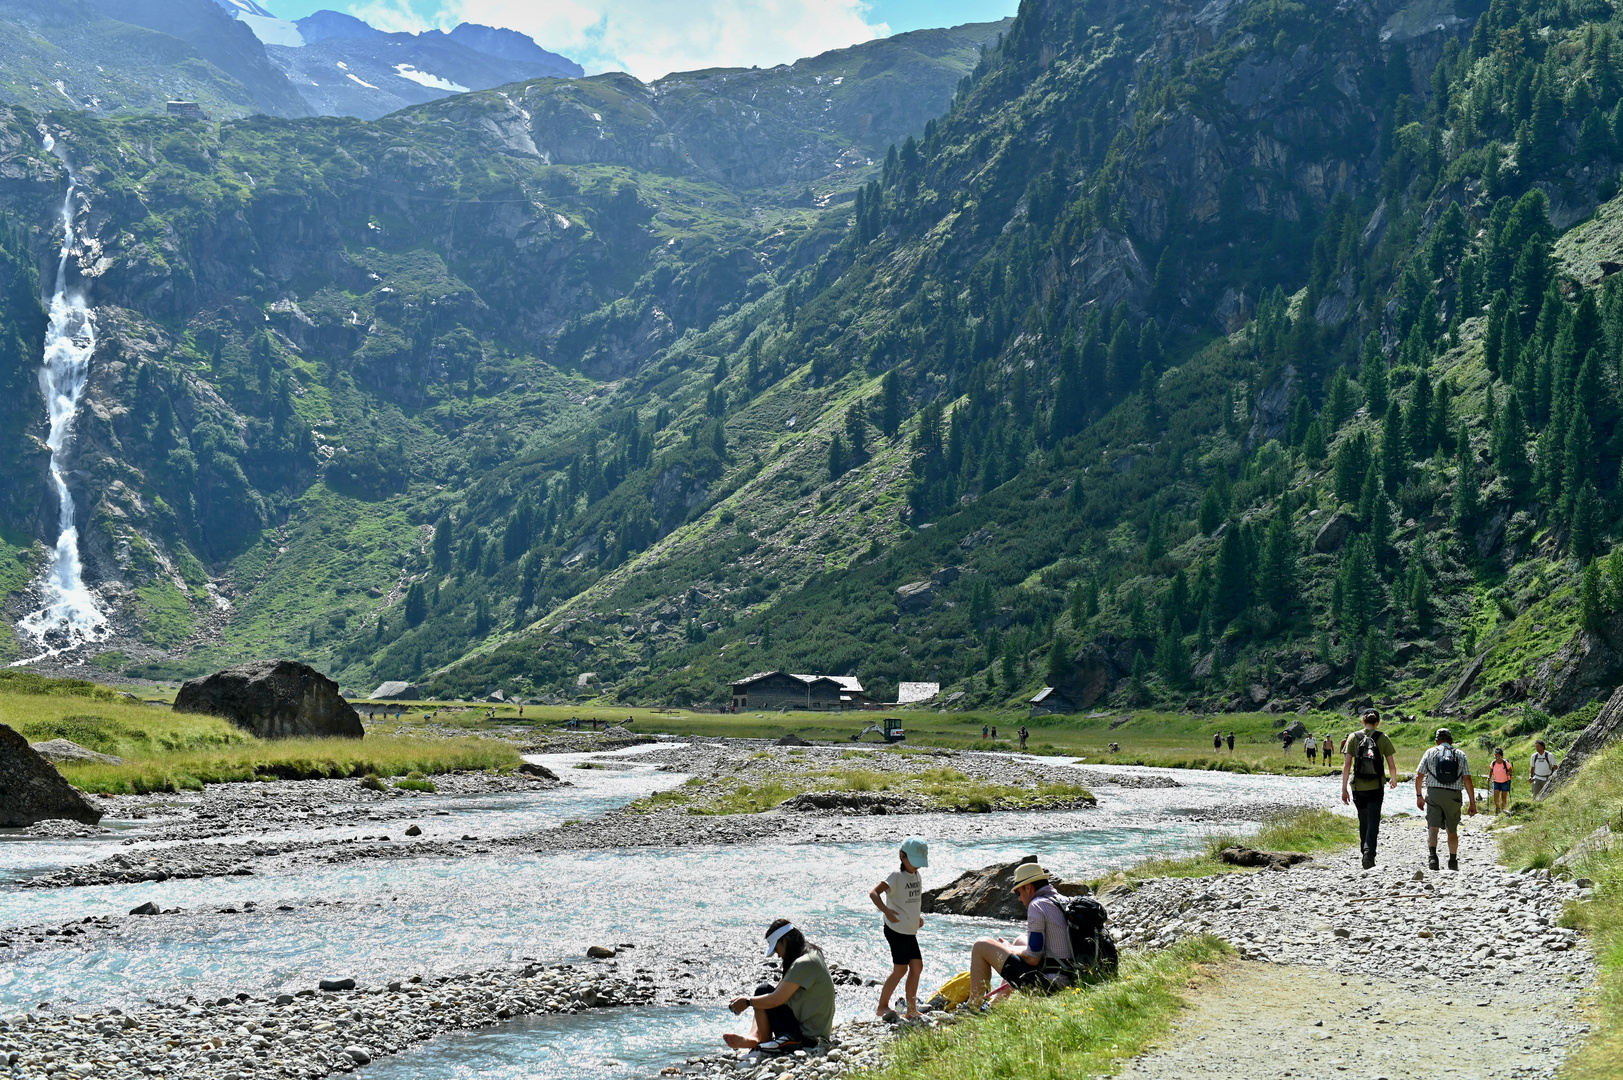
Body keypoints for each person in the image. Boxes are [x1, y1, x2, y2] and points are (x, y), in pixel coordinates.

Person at [966, 863, 1072, 1007]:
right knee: (1021, 940)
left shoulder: (1037, 905)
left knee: (981, 945)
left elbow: (1034, 958)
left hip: (1050, 985)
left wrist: (1008, 949)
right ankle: (995, 1004)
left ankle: (973, 1008)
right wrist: (1013, 948)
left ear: (1028, 887)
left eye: (1018, 893)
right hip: (1071, 976)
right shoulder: (1063, 900)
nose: (1020, 898)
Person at [725, 920, 836, 1053]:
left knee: (761, 993)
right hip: (811, 1031)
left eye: (776, 949)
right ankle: (755, 1037)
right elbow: (775, 993)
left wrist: (747, 1002)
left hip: (808, 1037)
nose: (778, 955)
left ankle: (763, 1046)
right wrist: (749, 1001)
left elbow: (776, 1000)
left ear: (785, 940)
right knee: (762, 992)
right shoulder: (810, 954)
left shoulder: (804, 963)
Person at [869, 837, 928, 1021]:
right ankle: (882, 1006)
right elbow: (874, 893)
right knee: (900, 969)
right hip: (896, 929)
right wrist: (886, 910)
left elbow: (912, 900)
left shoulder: (916, 875)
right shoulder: (895, 876)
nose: (916, 867)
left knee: (917, 966)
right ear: (902, 856)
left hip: (909, 929)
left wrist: (917, 916)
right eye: (913, 862)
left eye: (919, 863)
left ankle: (911, 1009)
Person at [1341, 709, 1398, 869]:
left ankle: (1364, 852)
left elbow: (1347, 765)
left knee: (1363, 820)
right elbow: (1391, 765)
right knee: (1373, 821)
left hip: (1357, 786)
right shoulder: (1383, 738)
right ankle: (1369, 853)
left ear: (1362, 721)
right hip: (1376, 786)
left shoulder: (1353, 737)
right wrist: (1393, 780)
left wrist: (1344, 789)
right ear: (1377, 722)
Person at [1416, 728, 1477, 870]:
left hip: (1434, 794)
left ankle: (1433, 858)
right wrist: (1472, 803)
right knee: (1452, 829)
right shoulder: (1460, 755)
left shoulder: (1430, 752)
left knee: (1433, 827)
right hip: (1453, 795)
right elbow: (1467, 779)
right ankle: (1453, 861)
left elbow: (1419, 776)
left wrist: (1419, 796)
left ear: (1437, 741)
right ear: (1451, 740)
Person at [1488, 747, 1514, 813]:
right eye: (1496, 757)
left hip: (1505, 782)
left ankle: (1504, 810)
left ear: (1502, 756)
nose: (1498, 759)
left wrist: (1509, 773)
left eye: (1499, 757)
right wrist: (1489, 778)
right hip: (1496, 782)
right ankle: (1497, 809)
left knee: (1504, 797)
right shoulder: (1493, 763)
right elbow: (1491, 771)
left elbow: (1511, 770)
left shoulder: (1506, 763)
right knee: (1496, 797)